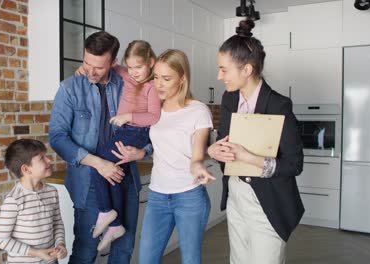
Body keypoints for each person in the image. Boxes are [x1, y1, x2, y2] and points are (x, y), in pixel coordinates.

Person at [207, 19, 304, 264]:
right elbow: (223, 142)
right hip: (236, 194)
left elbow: (294, 165)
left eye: (224, 69)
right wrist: (214, 150)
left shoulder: (279, 105)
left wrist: (248, 157)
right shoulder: (229, 99)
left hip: (268, 199)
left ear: (247, 70)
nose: (219, 76)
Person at [49, 31, 149, 263]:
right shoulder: (69, 89)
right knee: (85, 253)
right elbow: (57, 137)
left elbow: (151, 125)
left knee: (123, 250)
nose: (90, 72)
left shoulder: (130, 85)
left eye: (99, 67)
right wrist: (98, 163)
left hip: (125, 180)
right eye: (86, 63)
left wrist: (144, 151)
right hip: (88, 185)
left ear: (113, 63)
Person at [112, 49, 216, 264]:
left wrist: (198, 166)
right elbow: (157, 142)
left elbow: (197, 154)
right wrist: (142, 152)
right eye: (156, 77)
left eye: (166, 78)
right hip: (158, 195)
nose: (158, 84)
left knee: (190, 259)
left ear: (182, 78)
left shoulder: (198, 111)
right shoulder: (154, 108)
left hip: (189, 195)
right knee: (147, 259)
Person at [76, 40, 161, 251]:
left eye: (138, 67)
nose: (133, 72)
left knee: (99, 163)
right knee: (109, 172)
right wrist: (83, 68)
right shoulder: (126, 74)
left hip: (136, 132)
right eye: (130, 67)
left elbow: (154, 116)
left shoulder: (151, 86)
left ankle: (107, 212)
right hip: (125, 132)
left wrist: (127, 116)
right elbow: (108, 64)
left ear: (151, 62)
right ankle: (114, 224)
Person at [0, 139, 67, 264]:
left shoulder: (51, 192)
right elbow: (1, 240)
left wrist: (61, 244)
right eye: (42, 158)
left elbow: (57, 223)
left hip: (50, 261)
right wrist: (36, 252)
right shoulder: (14, 200)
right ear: (26, 169)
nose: (49, 160)